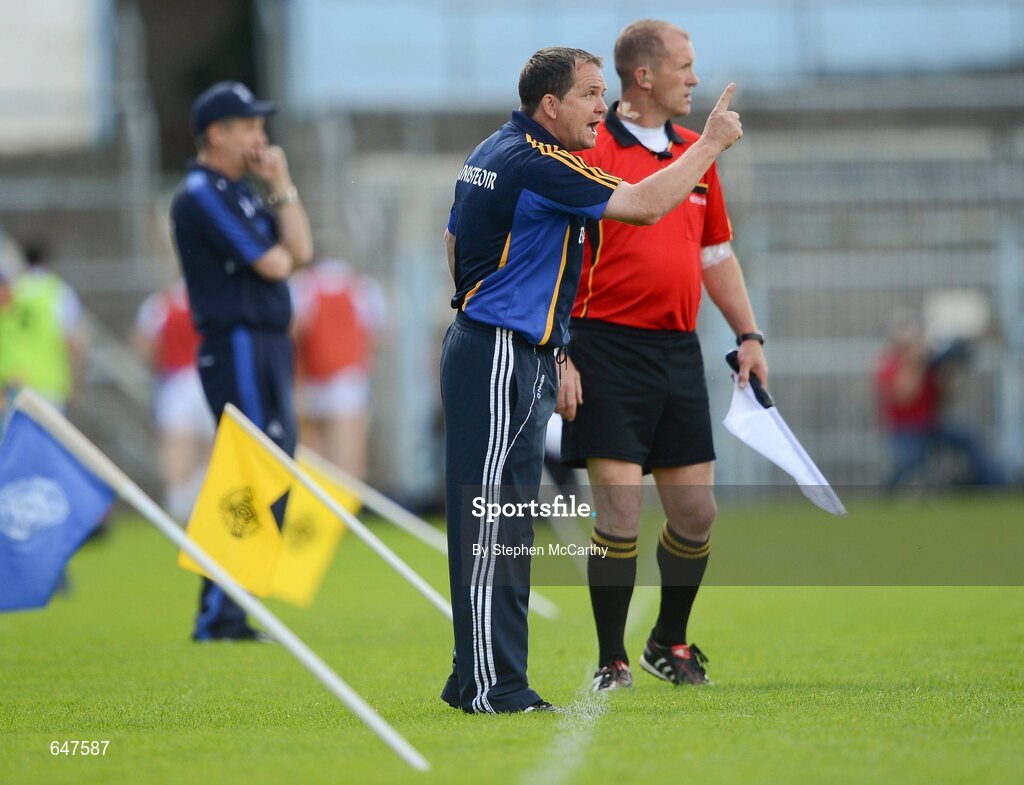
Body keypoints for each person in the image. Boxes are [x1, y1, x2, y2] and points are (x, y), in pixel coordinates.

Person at [440, 46, 742, 713]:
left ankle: (474, 676)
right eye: (588, 95)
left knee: (491, 518)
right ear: (550, 106)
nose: (600, 107)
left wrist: (488, 305)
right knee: (500, 523)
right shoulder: (541, 162)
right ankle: (498, 685)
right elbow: (641, 205)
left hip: (491, 344)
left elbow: (454, 237)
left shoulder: (492, 149)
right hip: (501, 351)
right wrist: (711, 145)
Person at [556, 20, 769, 692]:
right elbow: (558, 257)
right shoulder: (591, 147)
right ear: (643, 76)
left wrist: (750, 335)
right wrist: (560, 350)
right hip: (603, 346)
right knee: (618, 512)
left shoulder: (693, 152)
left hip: (677, 350)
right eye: (684, 65)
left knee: (696, 513)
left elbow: (715, 253)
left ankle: (667, 640)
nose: (696, 79)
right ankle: (611, 657)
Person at [170, 81, 313, 642]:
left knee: (270, 464)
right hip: (237, 342)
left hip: (269, 342)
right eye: (248, 125)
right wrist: (278, 240)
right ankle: (220, 611)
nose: (260, 136)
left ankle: (230, 607)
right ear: (217, 133)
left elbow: (300, 251)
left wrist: (280, 183)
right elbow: (276, 264)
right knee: (253, 467)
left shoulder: (247, 191)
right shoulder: (201, 192)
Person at [290, 258, 387, 479]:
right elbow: (375, 338)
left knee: (312, 456)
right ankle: (341, 507)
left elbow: (293, 336)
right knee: (347, 460)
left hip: (311, 381)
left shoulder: (303, 287)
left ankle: (316, 508)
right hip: (349, 380)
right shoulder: (363, 288)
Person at [874, 315, 997, 489]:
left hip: (930, 425)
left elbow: (945, 395)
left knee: (970, 439)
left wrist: (949, 370)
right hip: (905, 428)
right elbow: (903, 396)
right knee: (911, 459)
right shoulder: (889, 365)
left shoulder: (929, 363)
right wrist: (915, 363)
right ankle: (889, 492)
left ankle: (991, 485)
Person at [132, 279, 215, 521]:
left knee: (177, 444)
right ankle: (202, 497)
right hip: (206, 378)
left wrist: (156, 364)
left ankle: (178, 499)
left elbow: (142, 343)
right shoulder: (208, 300)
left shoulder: (161, 303)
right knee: (209, 445)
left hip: (176, 381)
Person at [0, 241, 88, 412]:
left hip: (13, 384)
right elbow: (71, 341)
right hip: (49, 386)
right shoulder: (59, 292)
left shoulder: (10, 290)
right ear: (46, 261)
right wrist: (77, 381)